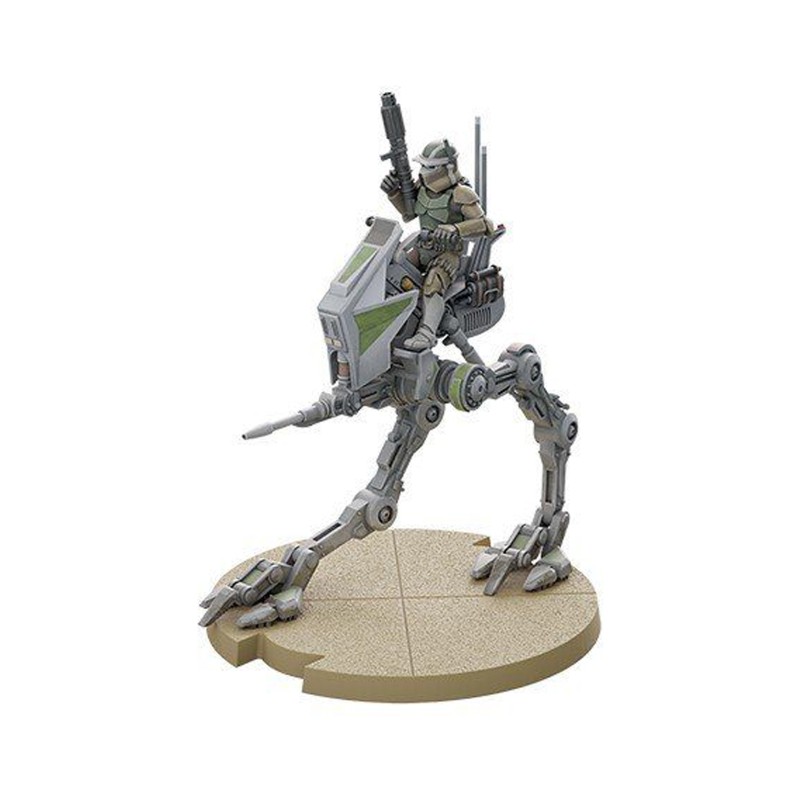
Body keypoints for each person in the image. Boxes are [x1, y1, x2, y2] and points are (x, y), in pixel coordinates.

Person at [381, 139, 494, 351]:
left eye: (430, 167)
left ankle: (427, 333)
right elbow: (409, 214)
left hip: (448, 255)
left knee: (433, 282)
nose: (424, 171)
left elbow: (486, 225)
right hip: (422, 247)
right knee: (393, 267)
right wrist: (394, 193)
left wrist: (456, 229)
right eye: (423, 166)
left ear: (446, 167)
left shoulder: (461, 194)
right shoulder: (422, 187)